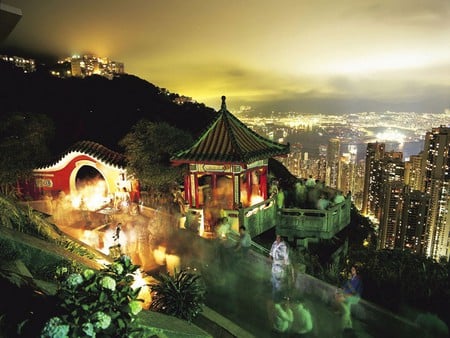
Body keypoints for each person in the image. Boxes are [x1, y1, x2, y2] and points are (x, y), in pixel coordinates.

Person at [270, 234, 290, 301]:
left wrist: (284, 265)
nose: (277, 239)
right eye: (276, 237)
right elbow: (272, 250)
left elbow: (285, 256)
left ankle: (282, 297)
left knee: (280, 283)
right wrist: (270, 256)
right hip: (274, 265)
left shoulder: (284, 246)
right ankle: (274, 297)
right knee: (274, 282)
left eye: (278, 238)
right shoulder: (275, 243)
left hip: (280, 266)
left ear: (281, 239)